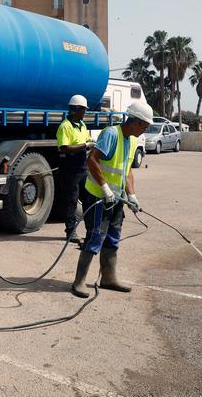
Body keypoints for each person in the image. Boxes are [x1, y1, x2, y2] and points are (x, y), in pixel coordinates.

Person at [71, 101, 153, 298]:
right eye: (144, 126)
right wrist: (105, 188)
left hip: (116, 199)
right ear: (134, 121)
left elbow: (126, 171)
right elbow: (92, 159)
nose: (145, 130)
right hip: (99, 196)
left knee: (113, 236)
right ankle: (79, 282)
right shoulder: (111, 134)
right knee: (95, 236)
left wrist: (132, 195)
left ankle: (108, 278)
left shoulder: (132, 140)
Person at [56, 95, 94, 244]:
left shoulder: (82, 125)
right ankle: (70, 232)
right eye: (83, 110)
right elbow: (64, 148)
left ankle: (90, 230)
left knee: (88, 200)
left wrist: (90, 143)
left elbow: (86, 140)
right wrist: (85, 146)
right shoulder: (65, 126)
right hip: (70, 170)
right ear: (77, 109)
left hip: (82, 168)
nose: (85, 113)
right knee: (71, 202)